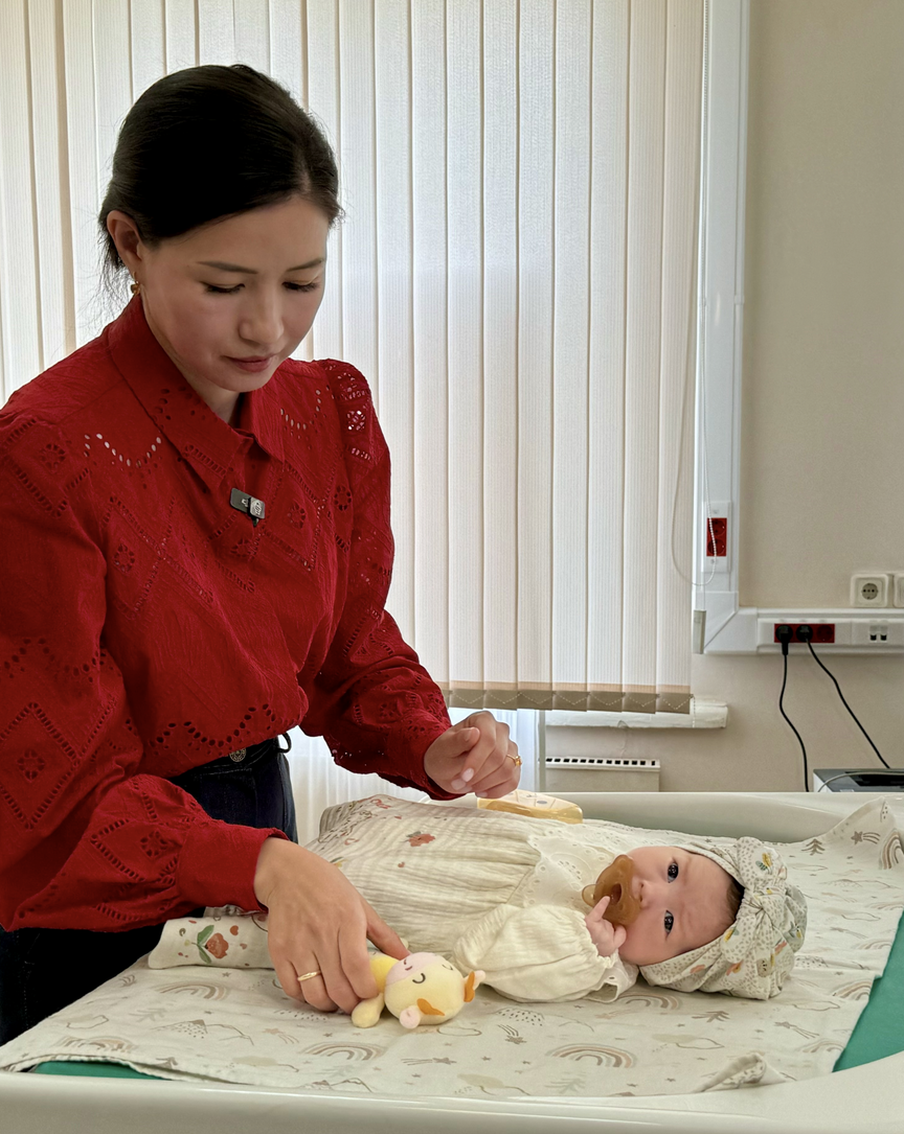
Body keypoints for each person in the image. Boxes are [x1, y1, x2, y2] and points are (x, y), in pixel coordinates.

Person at [0, 64, 521, 1046]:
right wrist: (257, 864)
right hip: (94, 889)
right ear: (131, 243)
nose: (268, 326)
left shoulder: (327, 413)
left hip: (256, 832)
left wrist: (427, 742)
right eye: (223, 285)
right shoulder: (47, 451)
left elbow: (347, 647)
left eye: (302, 282)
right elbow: (51, 795)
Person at [150, 795, 809, 1003]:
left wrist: (582, 945)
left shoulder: (598, 959)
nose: (646, 889)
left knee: (347, 904)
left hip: (435, 903)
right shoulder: (622, 854)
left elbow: (487, 955)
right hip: (438, 848)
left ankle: (229, 909)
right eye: (671, 867)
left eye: (668, 920)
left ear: (667, 967)